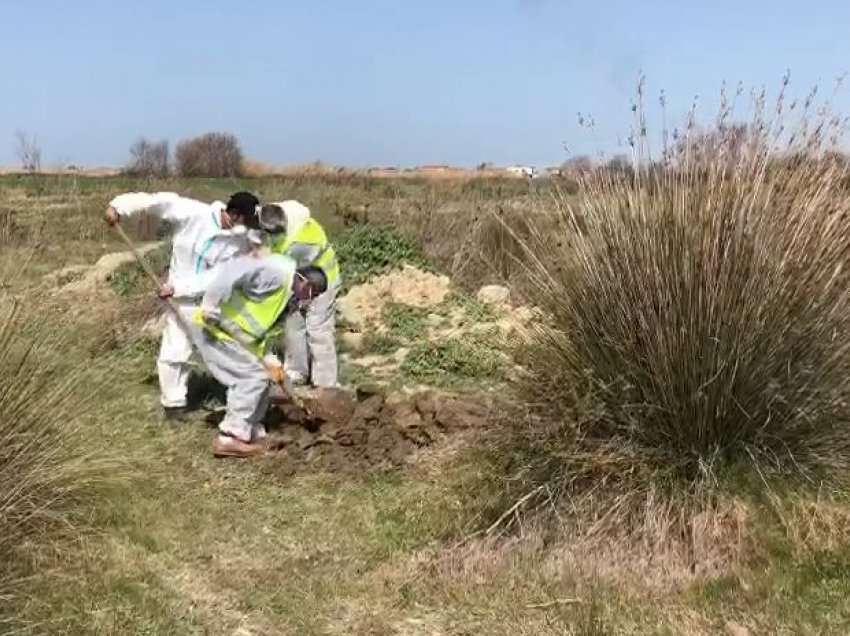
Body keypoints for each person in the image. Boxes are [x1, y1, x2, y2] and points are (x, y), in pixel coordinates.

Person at [104, 191, 262, 420]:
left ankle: (245, 401)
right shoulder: (194, 213)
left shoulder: (240, 242)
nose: (247, 227)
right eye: (245, 221)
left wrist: (180, 287)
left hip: (212, 300)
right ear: (233, 214)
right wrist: (118, 207)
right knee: (176, 350)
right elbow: (156, 201)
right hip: (179, 301)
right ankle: (174, 406)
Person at [191, 243, 328, 458]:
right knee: (251, 377)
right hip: (215, 328)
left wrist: (270, 361)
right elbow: (232, 269)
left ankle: (250, 429)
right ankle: (230, 438)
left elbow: (257, 328)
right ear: (305, 282)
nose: (310, 299)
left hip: (238, 337)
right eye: (313, 293)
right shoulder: (276, 274)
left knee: (264, 376)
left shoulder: (286, 294)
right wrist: (210, 303)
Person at [257, 201, 341, 388]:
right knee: (293, 326)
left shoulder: (301, 242)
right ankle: (296, 373)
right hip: (297, 279)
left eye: (273, 234)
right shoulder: (278, 213)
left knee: (318, 330)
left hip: (321, 282)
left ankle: (325, 384)